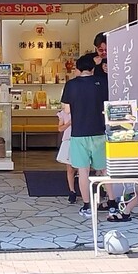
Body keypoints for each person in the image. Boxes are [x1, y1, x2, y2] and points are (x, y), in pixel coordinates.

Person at [61, 53, 115, 218]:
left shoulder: (71, 85)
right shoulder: (102, 82)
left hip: (79, 133)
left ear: (77, 68)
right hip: (99, 132)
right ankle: (112, 203)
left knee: (83, 171)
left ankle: (87, 206)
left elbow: (66, 110)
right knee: (104, 169)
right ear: (92, 68)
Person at [56, 67, 79, 203]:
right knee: (70, 168)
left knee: (81, 168)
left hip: (79, 140)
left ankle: (82, 189)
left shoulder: (80, 110)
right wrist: (70, 122)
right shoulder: (63, 114)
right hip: (68, 141)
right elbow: (60, 128)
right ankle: (72, 191)